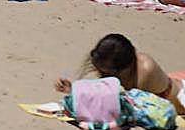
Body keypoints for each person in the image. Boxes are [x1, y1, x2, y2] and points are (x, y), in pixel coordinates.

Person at [55, 34, 185, 113]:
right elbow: (106, 90)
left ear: (122, 69)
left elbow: (121, 105)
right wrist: (73, 89)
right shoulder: (119, 64)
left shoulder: (145, 71)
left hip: (179, 100)